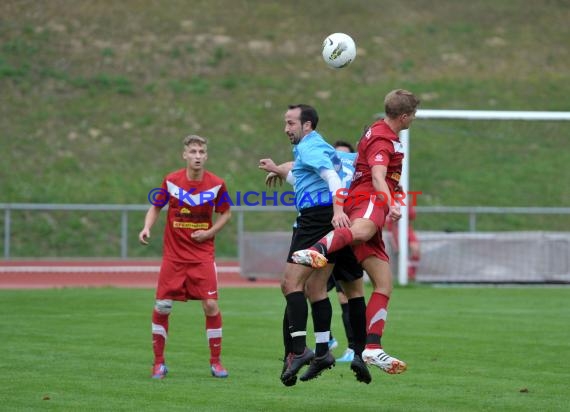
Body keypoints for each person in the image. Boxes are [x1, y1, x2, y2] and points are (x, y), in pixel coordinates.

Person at [292, 89, 420, 375]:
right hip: (366, 198)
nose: (414, 119)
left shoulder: (380, 133)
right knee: (360, 230)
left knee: (384, 283)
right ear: (405, 116)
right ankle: (317, 250)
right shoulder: (383, 139)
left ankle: (372, 347)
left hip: (370, 198)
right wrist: (389, 203)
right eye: (413, 115)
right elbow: (376, 176)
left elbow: (384, 175)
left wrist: (393, 196)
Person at [258, 104, 370, 386]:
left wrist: (337, 210)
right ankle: (325, 352)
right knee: (317, 287)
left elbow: (330, 178)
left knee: (290, 284)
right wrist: (280, 171)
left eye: (291, 123)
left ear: (307, 125)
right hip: (330, 217)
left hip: (318, 217)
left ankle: (299, 350)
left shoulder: (310, 148)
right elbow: (308, 177)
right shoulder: (313, 149)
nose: (286, 129)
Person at [138, 135, 232, 379]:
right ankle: (158, 363)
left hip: (202, 255)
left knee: (211, 305)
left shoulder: (216, 184)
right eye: (193, 151)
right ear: (185, 155)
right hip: (174, 256)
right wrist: (147, 227)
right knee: (163, 305)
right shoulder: (171, 181)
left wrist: (210, 232)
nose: (198, 156)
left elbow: (226, 213)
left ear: (206, 156)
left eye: (202, 151)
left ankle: (216, 363)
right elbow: (156, 206)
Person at [386, 203, 421, 281]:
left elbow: (412, 216)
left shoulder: (405, 201)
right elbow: (387, 220)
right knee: (400, 251)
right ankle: (402, 275)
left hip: (406, 228)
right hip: (394, 229)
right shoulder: (388, 199)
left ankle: (411, 274)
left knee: (416, 249)